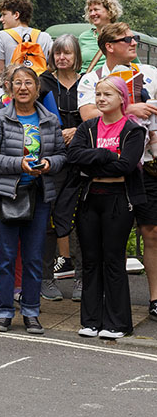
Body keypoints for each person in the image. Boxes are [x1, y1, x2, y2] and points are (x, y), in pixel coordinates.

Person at [76, 22, 157, 322]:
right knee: (108, 243)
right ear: (109, 45)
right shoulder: (92, 79)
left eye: (135, 38)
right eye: (128, 39)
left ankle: (154, 298)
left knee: (151, 231)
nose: (134, 42)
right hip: (106, 171)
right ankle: (105, 306)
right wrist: (130, 111)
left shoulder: (149, 73)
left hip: (146, 165)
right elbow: (87, 115)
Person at [0, 65, 66, 334]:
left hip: (39, 195)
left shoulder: (50, 120)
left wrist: (48, 164)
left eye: (28, 83)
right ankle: (4, 312)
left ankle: (31, 312)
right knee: (5, 256)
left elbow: (63, 156)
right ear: (9, 87)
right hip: (6, 194)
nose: (23, 87)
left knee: (33, 257)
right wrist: (19, 164)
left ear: (37, 88)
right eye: (17, 82)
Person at [68, 76, 147, 339]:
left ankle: (118, 323)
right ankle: (91, 320)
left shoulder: (133, 130)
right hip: (90, 197)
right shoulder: (88, 127)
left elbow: (126, 165)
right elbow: (75, 157)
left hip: (118, 199)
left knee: (113, 260)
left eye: (108, 95)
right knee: (91, 260)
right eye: (98, 94)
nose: (101, 99)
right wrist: (105, 155)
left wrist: (95, 163)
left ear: (122, 99)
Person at [38, 34, 84, 301]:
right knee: (48, 220)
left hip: (80, 158)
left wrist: (76, 131)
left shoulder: (87, 83)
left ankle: (82, 279)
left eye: (67, 53)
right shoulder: (43, 82)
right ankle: (46, 278)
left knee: (81, 220)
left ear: (76, 55)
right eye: (57, 53)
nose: (62, 58)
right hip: (51, 158)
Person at [0, 0, 53, 76]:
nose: (1, 19)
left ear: (16, 15)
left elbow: (0, 71)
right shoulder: (45, 36)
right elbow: (54, 63)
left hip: (14, 86)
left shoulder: (2, 35)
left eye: (4, 14)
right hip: (38, 85)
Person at [79, 0, 123, 72]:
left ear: (109, 11)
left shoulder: (121, 35)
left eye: (96, 9)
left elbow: (134, 65)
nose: (92, 14)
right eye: (90, 10)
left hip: (110, 82)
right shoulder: (84, 37)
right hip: (87, 82)